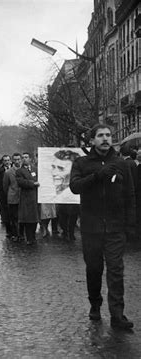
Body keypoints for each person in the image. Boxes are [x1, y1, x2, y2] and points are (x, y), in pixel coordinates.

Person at [70, 124, 135, 330]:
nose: (105, 139)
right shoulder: (81, 163)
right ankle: (95, 304)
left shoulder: (121, 163)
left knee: (116, 270)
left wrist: (130, 225)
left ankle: (117, 315)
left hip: (115, 228)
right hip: (91, 228)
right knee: (94, 269)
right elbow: (74, 187)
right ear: (92, 140)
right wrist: (98, 175)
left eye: (108, 135)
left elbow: (130, 196)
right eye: (100, 135)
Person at [16, 152, 40, 245]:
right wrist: (32, 183)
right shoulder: (19, 171)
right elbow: (21, 182)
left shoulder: (36, 169)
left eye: (26, 157)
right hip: (26, 198)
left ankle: (33, 236)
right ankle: (29, 237)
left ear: (30, 158)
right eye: (23, 157)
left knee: (35, 218)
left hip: (35, 197)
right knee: (27, 219)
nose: (24, 159)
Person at [3, 153, 23, 241]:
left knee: (22, 217)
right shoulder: (8, 172)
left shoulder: (24, 170)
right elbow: (5, 186)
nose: (17, 161)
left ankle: (22, 234)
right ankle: (15, 234)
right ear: (12, 160)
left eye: (18, 159)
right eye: (15, 159)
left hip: (23, 197)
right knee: (14, 217)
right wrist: (10, 194)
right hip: (13, 198)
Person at [0, 155, 11, 237]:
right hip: (4, 195)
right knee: (6, 213)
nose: (7, 162)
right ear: (3, 161)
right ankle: (9, 231)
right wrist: (1, 189)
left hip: (14, 194)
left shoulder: (15, 169)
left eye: (8, 160)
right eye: (5, 160)